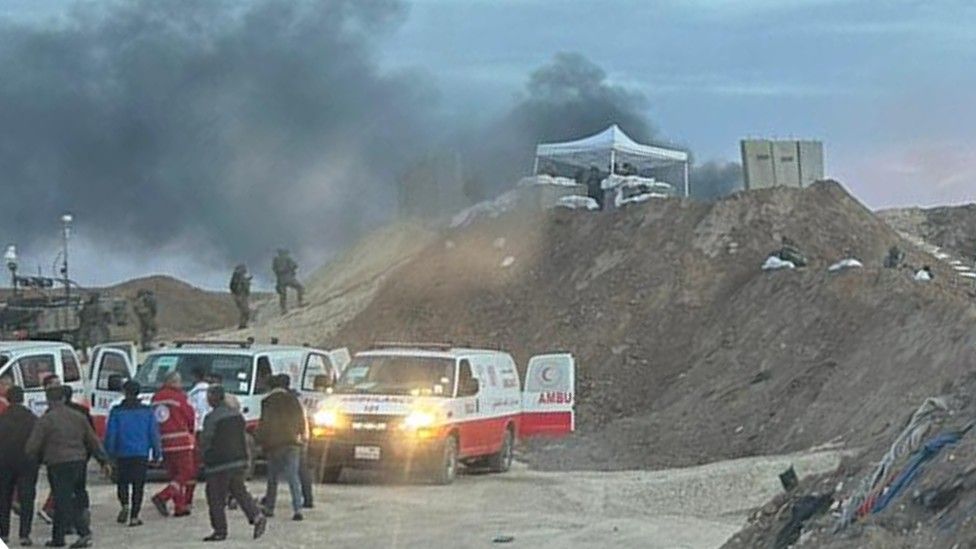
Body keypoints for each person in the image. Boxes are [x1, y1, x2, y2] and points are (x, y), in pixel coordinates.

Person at [25, 386, 111, 549]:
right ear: (64, 399)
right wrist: (103, 461)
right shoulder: (78, 417)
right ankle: (76, 532)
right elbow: (93, 441)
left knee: (62, 499)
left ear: (48, 400)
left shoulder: (46, 420)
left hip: (57, 463)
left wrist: (38, 459)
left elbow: (32, 446)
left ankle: (72, 535)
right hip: (78, 462)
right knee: (77, 496)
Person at [201, 385, 266, 542]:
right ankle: (256, 515)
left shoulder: (211, 418)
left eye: (209, 396)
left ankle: (220, 530)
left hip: (219, 463)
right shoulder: (237, 416)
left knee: (215, 497)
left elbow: (206, 441)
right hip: (238, 460)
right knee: (239, 491)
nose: (208, 400)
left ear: (214, 398)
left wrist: (205, 458)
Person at [104, 380, 162, 527]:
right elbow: (153, 434)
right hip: (141, 452)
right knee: (138, 485)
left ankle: (124, 504)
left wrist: (109, 454)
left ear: (124, 392)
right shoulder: (147, 411)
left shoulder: (116, 411)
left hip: (122, 452)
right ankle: (135, 516)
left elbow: (111, 434)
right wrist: (156, 453)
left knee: (122, 482)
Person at [257, 374, 307, 521]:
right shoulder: (293, 400)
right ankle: (298, 508)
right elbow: (300, 421)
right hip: (292, 442)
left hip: (274, 444)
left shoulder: (267, 401)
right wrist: (299, 434)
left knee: (272, 478)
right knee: (293, 477)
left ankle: (270, 507)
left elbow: (264, 423)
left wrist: (261, 441)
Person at [150, 372, 197, 518]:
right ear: (174, 382)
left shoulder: (155, 398)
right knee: (186, 472)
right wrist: (191, 431)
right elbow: (190, 416)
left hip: (163, 442)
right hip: (180, 441)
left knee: (174, 475)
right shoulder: (179, 397)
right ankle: (163, 496)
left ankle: (180, 506)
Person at [0, 386, 39, 546]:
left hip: (4, 463)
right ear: (23, 398)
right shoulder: (32, 419)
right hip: (28, 463)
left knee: (3, 499)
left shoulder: (2, 419)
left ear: (8, 399)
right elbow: (39, 440)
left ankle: (3, 533)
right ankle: (25, 534)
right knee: (27, 498)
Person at [272, 249, 304, 314]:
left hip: (280, 280)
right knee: (300, 287)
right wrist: (292, 271)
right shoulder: (287, 258)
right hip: (288, 277)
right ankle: (300, 302)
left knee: (283, 295)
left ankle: (283, 310)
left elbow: (274, 269)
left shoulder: (275, 260)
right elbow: (295, 266)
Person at [76, 294, 106, 361]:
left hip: (86, 326)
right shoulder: (97, 307)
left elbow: (79, 314)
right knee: (93, 343)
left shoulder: (86, 306)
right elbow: (100, 317)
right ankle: (93, 357)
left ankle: (87, 356)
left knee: (85, 342)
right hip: (92, 326)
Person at [229, 264, 252, 329]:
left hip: (241, 296)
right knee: (245, 311)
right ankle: (242, 325)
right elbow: (236, 287)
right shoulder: (237, 277)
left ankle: (243, 324)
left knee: (245, 311)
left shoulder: (238, 277)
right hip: (240, 296)